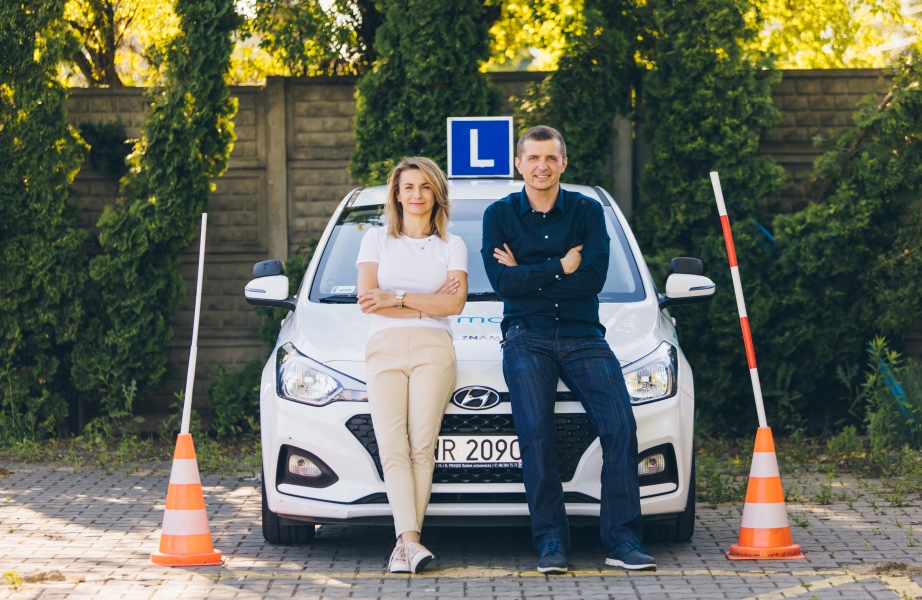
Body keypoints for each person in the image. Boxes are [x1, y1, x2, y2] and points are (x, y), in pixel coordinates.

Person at [480, 126, 655, 573]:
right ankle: (551, 543)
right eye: (533, 158)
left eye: (550, 158)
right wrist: (561, 265)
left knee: (620, 426)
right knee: (536, 434)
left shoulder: (587, 211)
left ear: (563, 163)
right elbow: (502, 284)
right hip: (526, 335)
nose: (542, 166)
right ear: (519, 164)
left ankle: (622, 540)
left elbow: (592, 279)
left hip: (584, 335)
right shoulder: (499, 215)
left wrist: (528, 275)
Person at [356, 156, 468, 574]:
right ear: (397, 195)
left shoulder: (451, 245)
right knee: (392, 446)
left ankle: (406, 545)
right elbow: (369, 301)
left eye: (425, 187)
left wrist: (397, 298)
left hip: (434, 348)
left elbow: (454, 304)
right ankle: (410, 543)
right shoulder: (376, 240)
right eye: (408, 187)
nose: (417, 194)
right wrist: (428, 302)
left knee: (421, 446)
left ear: (436, 194)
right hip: (383, 347)